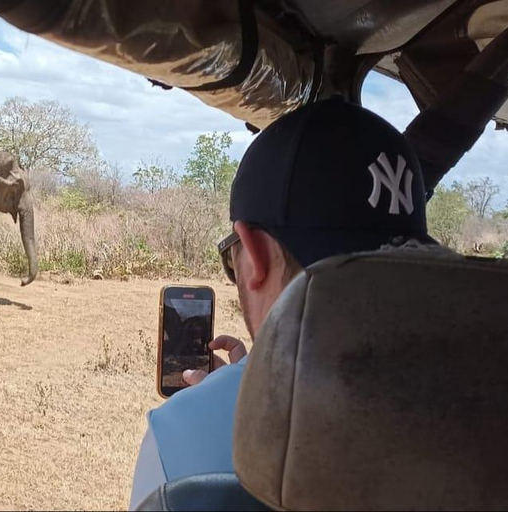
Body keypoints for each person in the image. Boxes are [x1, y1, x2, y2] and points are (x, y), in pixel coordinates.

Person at [128, 96, 436, 510]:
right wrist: (248, 377)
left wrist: (223, 402)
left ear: (254, 255)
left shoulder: (177, 432)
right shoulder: (491, 400)